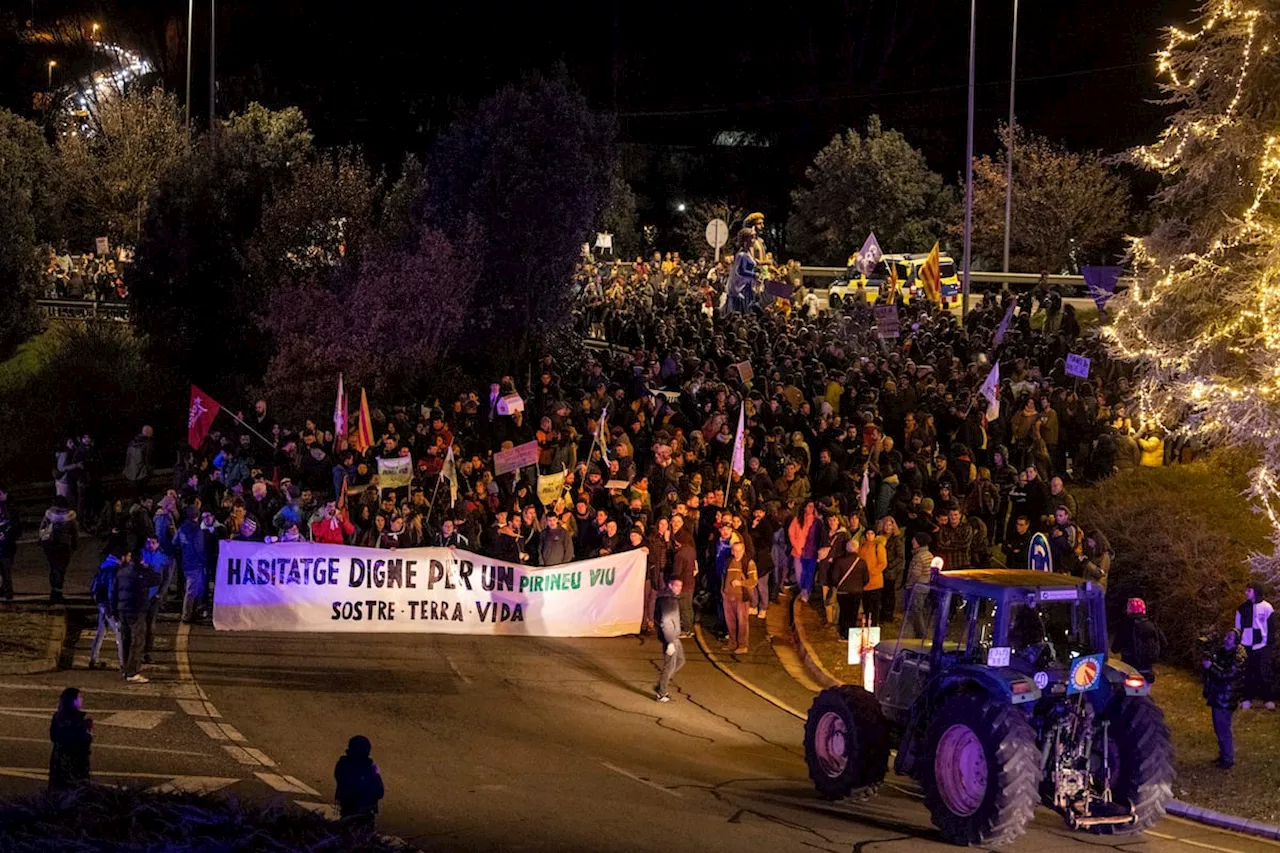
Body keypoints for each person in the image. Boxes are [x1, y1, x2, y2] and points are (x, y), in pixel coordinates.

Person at [114, 550, 162, 684]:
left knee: (126, 640)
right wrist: (147, 568)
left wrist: (115, 610)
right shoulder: (140, 573)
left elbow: (114, 590)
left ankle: (125, 668)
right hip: (136, 611)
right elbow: (157, 579)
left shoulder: (121, 572)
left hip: (122, 610)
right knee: (138, 641)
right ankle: (132, 671)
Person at [1202, 629, 1247, 769]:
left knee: (1223, 728)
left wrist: (1211, 667)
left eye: (1230, 637)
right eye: (1227, 635)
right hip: (1219, 694)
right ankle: (1223, 755)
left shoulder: (1238, 657)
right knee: (1219, 727)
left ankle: (1227, 759)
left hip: (1226, 696)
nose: (1226, 638)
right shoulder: (1222, 651)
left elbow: (1227, 675)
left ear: (1236, 641)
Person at [1235, 583, 1274, 709]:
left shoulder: (1267, 607)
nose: (1246, 593)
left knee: (1265, 672)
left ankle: (1268, 699)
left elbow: (1271, 627)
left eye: (1249, 590)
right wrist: (1239, 643)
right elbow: (1238, 628)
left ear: (1255, 591)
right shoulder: (1242, 608)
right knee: (1248, 673)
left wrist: (1268, 643)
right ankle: (1247, 698)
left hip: (1262, 645)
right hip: (1247, 645)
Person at [334, 735, 384, 828]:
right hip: (356, 810)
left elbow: (379, 790)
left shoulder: (344, 765)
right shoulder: (369, 768)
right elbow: (379, 791)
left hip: (356, 809)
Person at [1111, 598, 1166, 682]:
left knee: (1119, 687)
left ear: (1129, 610)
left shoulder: (1125, 626)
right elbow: (1164, 643)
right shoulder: (1152, 625)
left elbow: (1115, 648)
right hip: (1147, 669)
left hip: (1129, 667)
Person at [48, 687, 92, 791]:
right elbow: (85, 740)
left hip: (59, 759)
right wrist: (88, 731)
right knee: (77, 789)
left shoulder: (57, 716)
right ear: (73, 700)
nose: (81, 700)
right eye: (79, 697)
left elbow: (53, 736)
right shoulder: (82, 719)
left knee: (58, 790)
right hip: (77, 761)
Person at [38, 496, 79, 604]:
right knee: (61, 569)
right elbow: (74, 532)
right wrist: (75, 544)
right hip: (64, 545)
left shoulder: (48, 514)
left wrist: (41, 541)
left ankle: (54, 592)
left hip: (49, 545)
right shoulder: (70, 516)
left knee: (53, 567)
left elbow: (42, 529)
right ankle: (58, 592)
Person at [88, 551, 124, 670]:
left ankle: (93, 659)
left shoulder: (104, 566)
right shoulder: (113, 569)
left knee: (101, 630)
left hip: (100, 602)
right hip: (107, 604)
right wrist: (112, 608)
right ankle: (123, 663)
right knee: (119, 632)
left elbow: (93, 585)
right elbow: (111, 590)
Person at [175, 505, 210, 623]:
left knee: (191, 588)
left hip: (186, 562)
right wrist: (204, 561)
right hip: (196, 564)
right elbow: (199, 548)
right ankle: (187, 615)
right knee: (192, 590)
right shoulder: (197, 530)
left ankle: (190, 613)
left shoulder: (182, 528)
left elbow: (175, 542)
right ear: (197, 515)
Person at [722, 539, 757, 654]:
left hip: (741, 597)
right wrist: (723, 591)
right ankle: (732, 643)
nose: (737, 553)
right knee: (730, 621)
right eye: (735, 551)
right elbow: (724, 577)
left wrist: (741, 583)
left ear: (744, 551)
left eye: (739, 551)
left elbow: (754, 581)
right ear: (732, 551)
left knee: (742, 622)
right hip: (728, 596)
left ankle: (743, 645)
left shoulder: (748, 563)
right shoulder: (728, 562)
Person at [654, 578, 685, 702]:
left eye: (681, 586)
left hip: (674, 636)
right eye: (676, 585)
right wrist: (670, 642)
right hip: (670, 638)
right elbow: (665, 622)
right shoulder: (668, 601)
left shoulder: (670, 598)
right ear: (670, 585)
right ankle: (661, 693)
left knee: (680, 660)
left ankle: (661, 685)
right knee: (670, 665)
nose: (679, 588)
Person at [0, 486, 16, 600]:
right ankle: (4, 590)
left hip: (5, 548)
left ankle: (8, 592)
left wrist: (5, 535)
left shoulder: (10, 511)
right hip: (5, 547)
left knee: (5, 571)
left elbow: (14, 527)